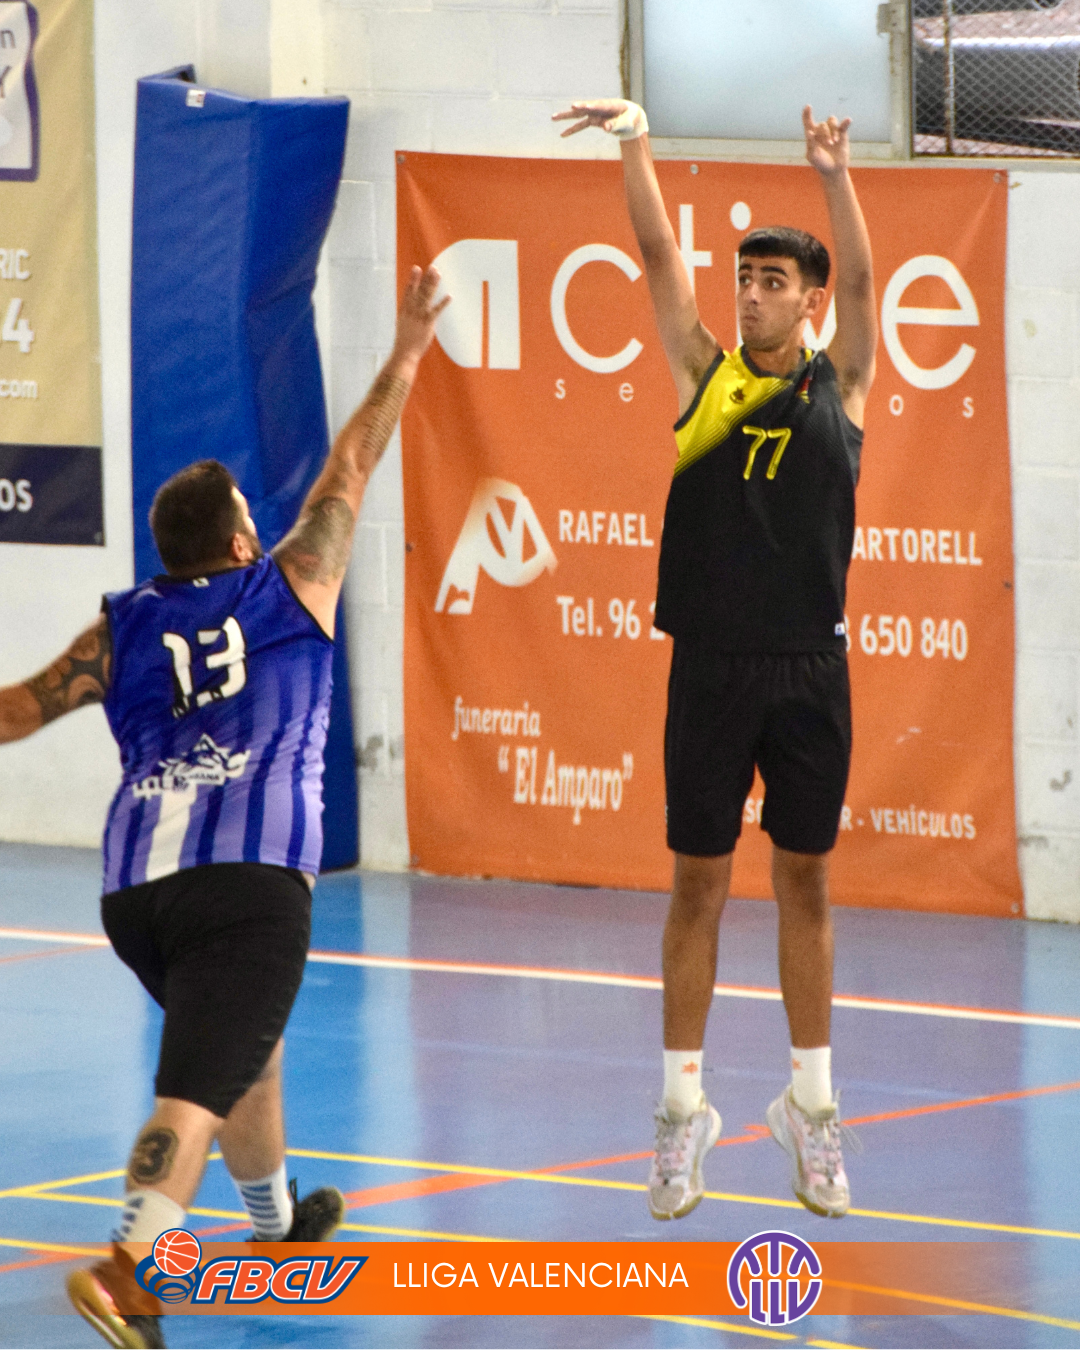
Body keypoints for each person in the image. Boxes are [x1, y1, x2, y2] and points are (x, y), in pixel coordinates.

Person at [0, 264, 449, 1349]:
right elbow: (352, 462)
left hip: (137, 894)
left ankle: (277, 1224)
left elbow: (15, 711)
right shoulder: (293, 583)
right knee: (197, 1087)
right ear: (243, 542)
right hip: (250, 887)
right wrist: (405, 349)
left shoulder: (121, 628)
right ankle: (129, 1268)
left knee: (248, 1045)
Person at [553, 99, 876, 1222]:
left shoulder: (844, 387)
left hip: (810, 672)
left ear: (811, 301)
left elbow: (868, 282)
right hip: (711, 670)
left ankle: (811, 1108)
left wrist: (834, 175)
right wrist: (636, 137)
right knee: (698, 884)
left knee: (805, 880)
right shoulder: (707, 378)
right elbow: (655, 255)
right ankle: (680, 1112)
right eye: (745, 278)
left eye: (774, 282)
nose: (751, 295)